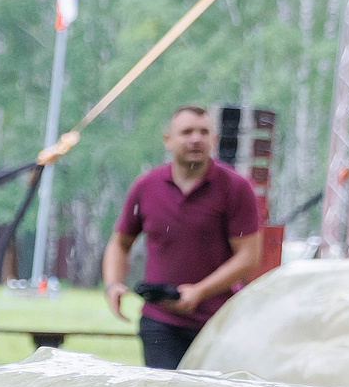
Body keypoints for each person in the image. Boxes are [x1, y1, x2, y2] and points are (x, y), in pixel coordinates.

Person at [102, 105, 264, 370]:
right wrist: (113, 284)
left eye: (204, 132)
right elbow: (120, 243)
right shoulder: (146, 186)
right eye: (187, 132)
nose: (195, 139)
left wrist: (200, 291)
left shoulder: (236, 188)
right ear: (168, 140)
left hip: (217, 322)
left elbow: (249, 257)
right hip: (160, 321)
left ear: (215, 140)